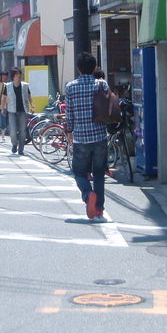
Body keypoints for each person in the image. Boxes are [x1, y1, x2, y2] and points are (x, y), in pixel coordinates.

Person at [64, 52, 110, 221]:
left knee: (79, 172)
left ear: (78, 68)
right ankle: (98, 209)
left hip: (81, 137)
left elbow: (69, 115)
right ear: (95, 67)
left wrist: (69, 133)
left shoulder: (70, 87)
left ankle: (87, 194)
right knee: (98, 173)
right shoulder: (102, 84)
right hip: (99, 135)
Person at [3, 68, 33, 156]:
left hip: (23, 110)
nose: (18, 76)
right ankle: (14, 144)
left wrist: (32, 106)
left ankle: (21, 149)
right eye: (16, 75)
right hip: (12, 110)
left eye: (19, 74)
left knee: (22, 131)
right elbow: (4, 97)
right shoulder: (8, 86)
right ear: (13, 76)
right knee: (12, 130)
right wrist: (3, 107)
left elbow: (29, 96)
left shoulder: (25, 85)